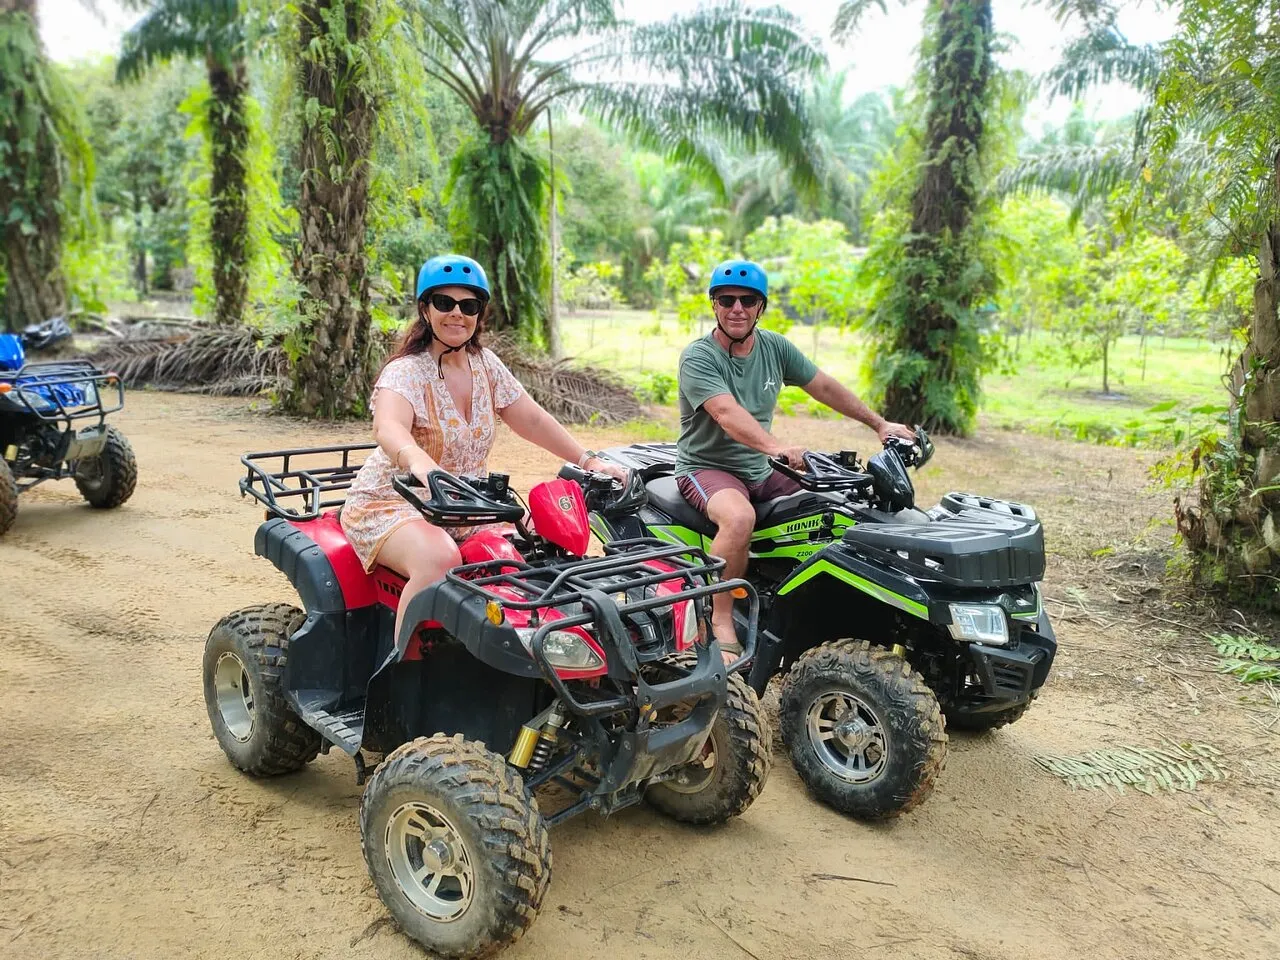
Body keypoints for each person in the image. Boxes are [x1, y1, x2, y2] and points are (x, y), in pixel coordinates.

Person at [341, 254, 626, 643]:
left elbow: (533, 420)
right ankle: (403, 670)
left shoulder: (486, 364)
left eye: (468, 305)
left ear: (479, 313)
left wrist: (588, 459)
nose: (456, 314)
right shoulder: (406, 370)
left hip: (467, 505)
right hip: (396, 502)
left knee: (528, 561)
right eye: (444, 303)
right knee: (438, 560)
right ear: (425, 309)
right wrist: (419, 463)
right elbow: (389, 426)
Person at [676, 259, 916, 660]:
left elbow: (821, 385)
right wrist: (775, 447)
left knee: (841, 500)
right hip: (708, 467)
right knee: (739, 519)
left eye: (748, 300)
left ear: (761, 307)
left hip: (761, 468)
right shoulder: (699, 357)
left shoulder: (774, 348)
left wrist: (878, 423)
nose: (737, 308)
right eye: (727, 299)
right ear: (714, 305)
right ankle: (719, 615)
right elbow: (725, 414)